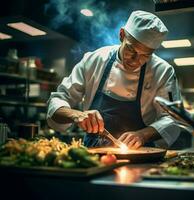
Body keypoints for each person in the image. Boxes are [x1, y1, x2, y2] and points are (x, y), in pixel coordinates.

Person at [47, 10, 182, 149]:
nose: (136, 61)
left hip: (140, 155)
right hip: (94, 153)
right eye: (131, 50)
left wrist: (143, 135)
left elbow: (173, 119)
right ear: (122, 35)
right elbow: (57, 100)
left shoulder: (163, 72)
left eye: (145, 55)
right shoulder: (95, 59)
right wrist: (76, 115)